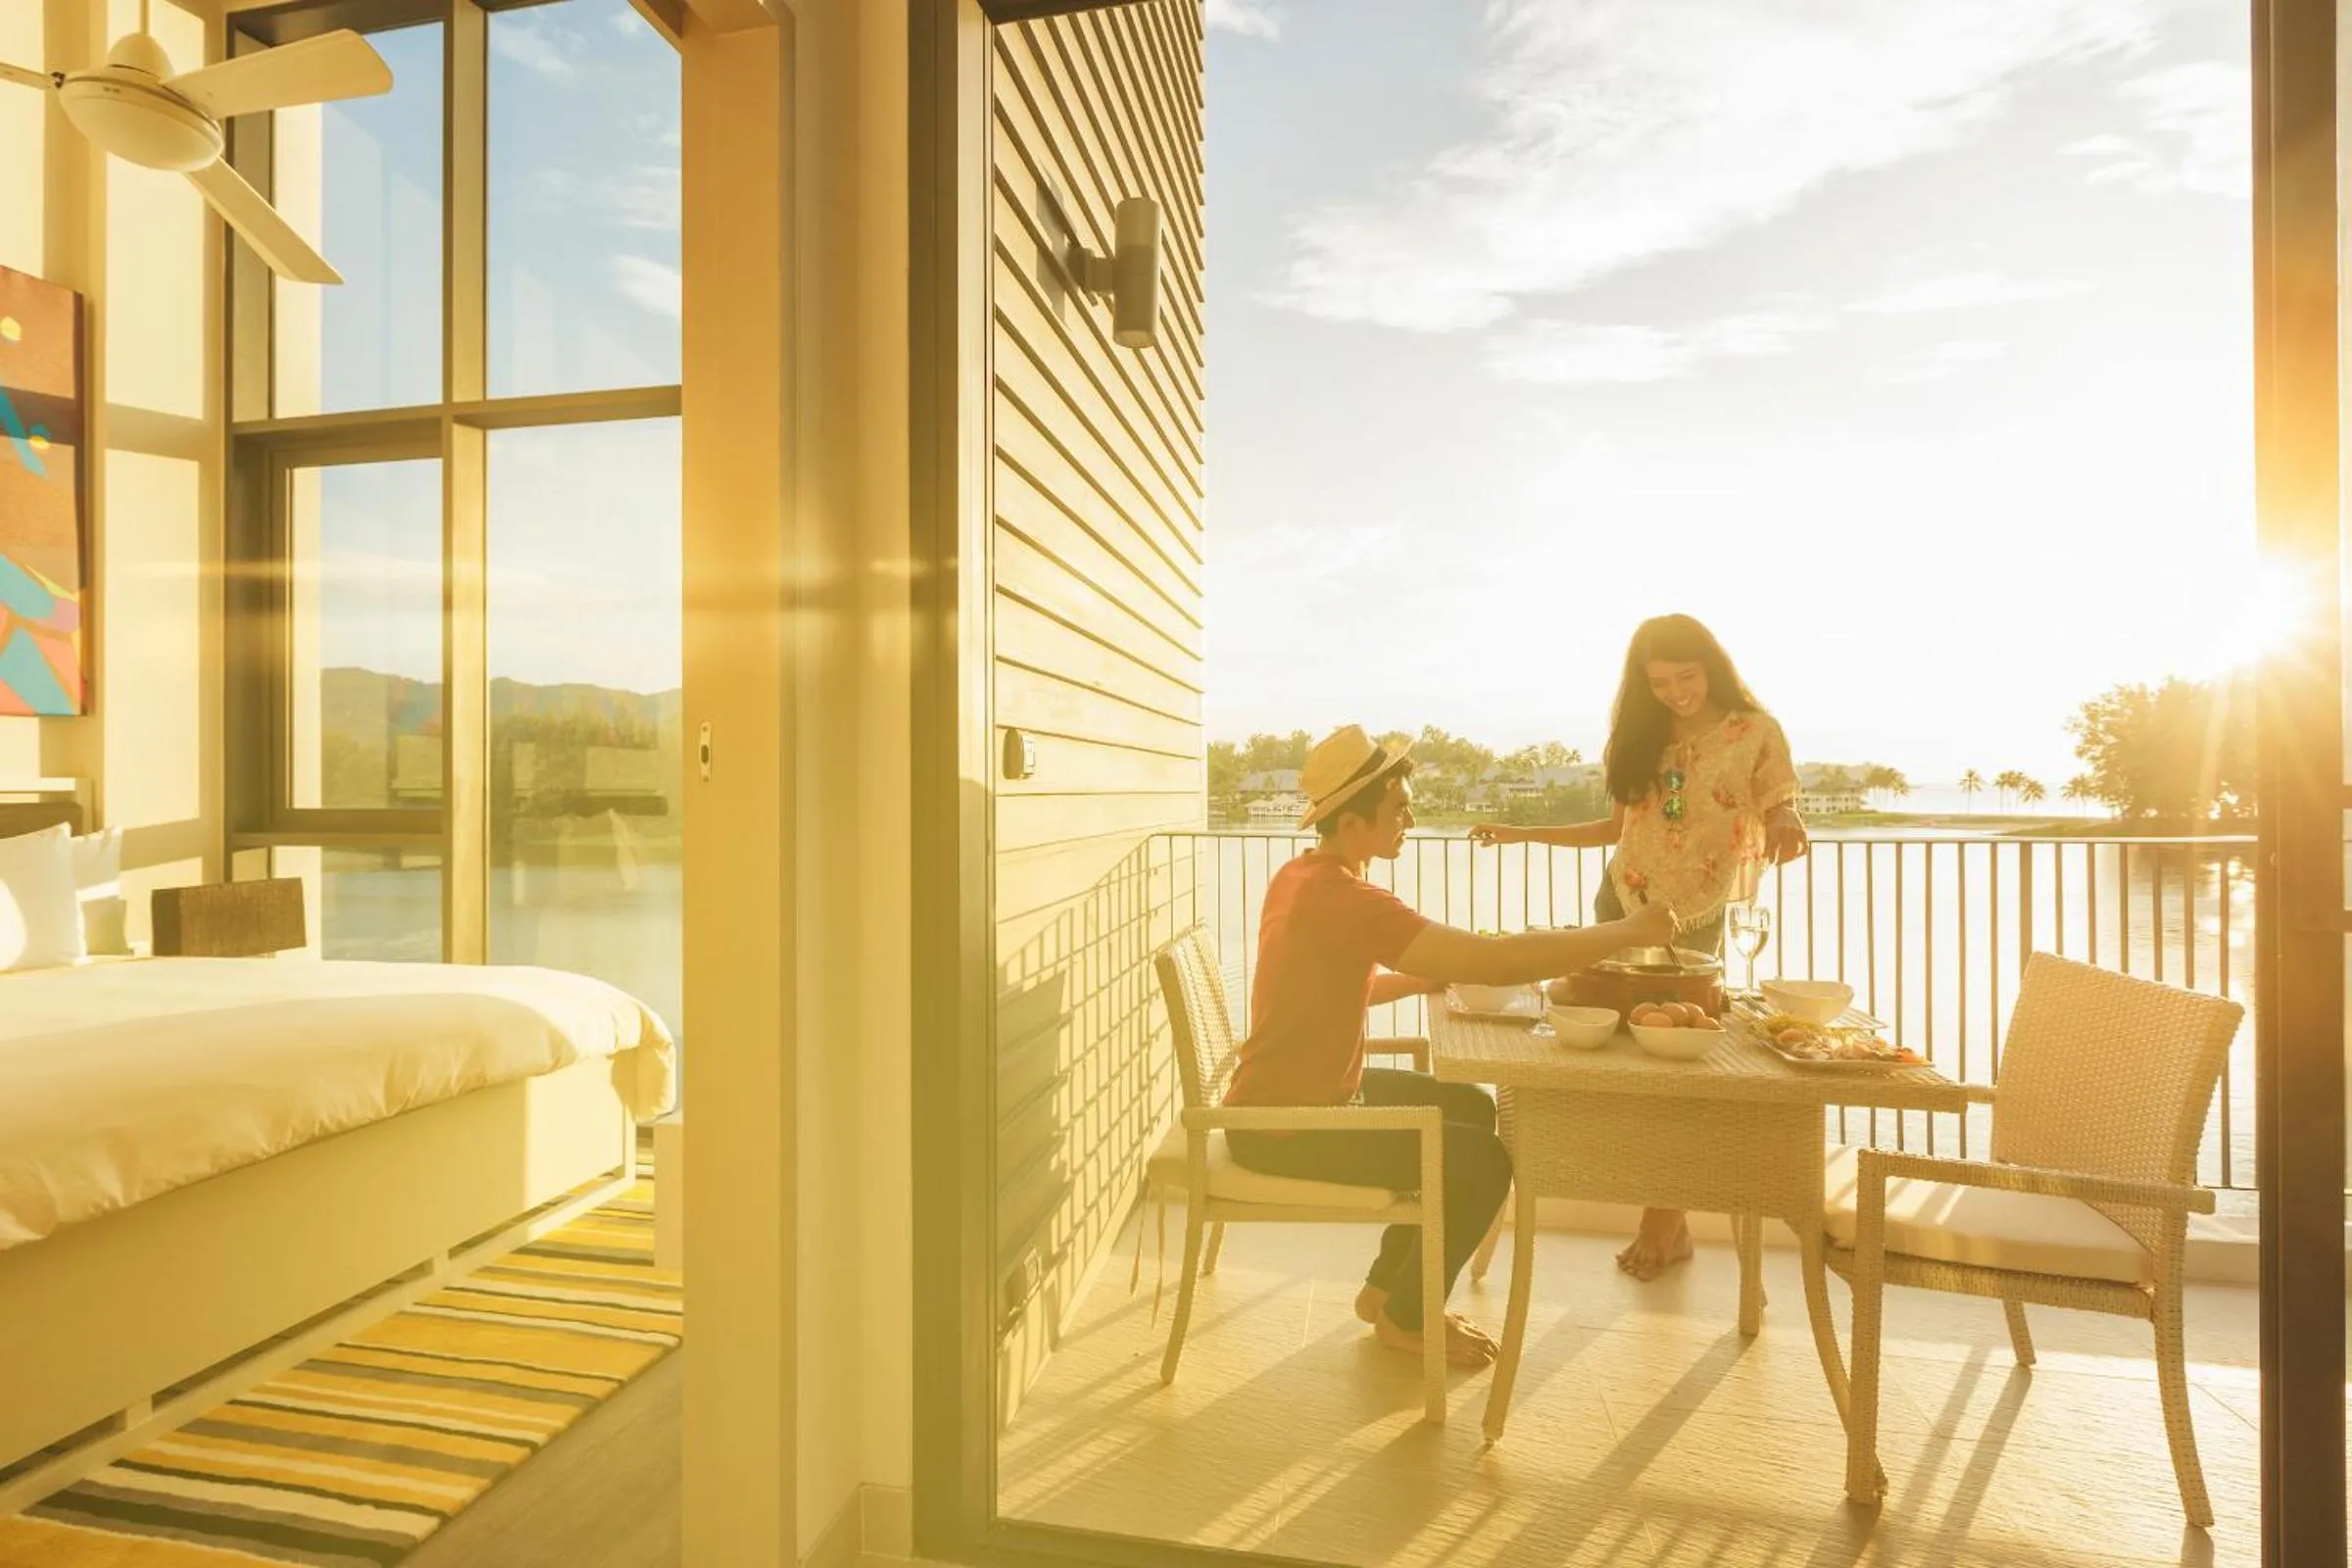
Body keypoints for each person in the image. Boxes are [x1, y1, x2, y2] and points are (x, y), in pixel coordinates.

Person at [1223, 724, 1678, 1369]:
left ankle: (1387, 1290)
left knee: (1469, 1105)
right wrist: (1625, 931)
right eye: (1399, 809)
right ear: (1351, 823)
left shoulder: (1304, 876)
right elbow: (1494, 962)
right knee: (1482, 1163)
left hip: (1298, 1095)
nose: (1410, 820)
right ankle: (1408, 1320)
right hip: (1285, 1125)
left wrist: (1425, 979)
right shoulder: (1344, 897)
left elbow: (1331, 983)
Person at [1472, 613, 1806, 1280]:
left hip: (1699, 917)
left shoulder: (1755, 731)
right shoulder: (1638, 738)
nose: (1676, 692)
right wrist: (1520, 833)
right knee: (1610, 1050)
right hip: (1621, 906)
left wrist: (1788, 819)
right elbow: (1616, 830)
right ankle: (1633, 1196)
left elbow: (1780, 805)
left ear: (1711, 666)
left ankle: (1663, 1216)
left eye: (1687, 676)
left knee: (1680, 1067)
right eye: (1660, 683)